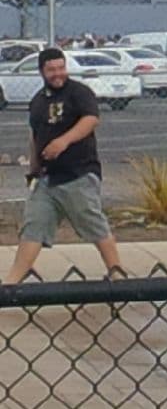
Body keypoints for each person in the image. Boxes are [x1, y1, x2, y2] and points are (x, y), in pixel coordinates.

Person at [4, 47, 122, 284]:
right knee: (33, 226)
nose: (58, 73)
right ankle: (10, 284)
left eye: (61, 68)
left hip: (78, 174)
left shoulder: (78, 93)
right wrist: (34, 169)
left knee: (92, 221)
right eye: (51, 70)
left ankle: (117, 273)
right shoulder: (37, 102)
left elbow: (91, 120)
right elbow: (34, 137)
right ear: (42, 71)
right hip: (48, 179)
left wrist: (63, 141)